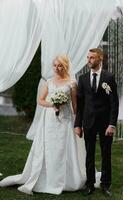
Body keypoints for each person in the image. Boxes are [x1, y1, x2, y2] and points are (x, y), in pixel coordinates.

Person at [0, 55, 85, 195]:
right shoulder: (49, 81)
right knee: (49, 147)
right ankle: (46, 177)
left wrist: (78, 123)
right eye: (55, 65)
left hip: (65, 119)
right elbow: (40, 100)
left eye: (60, 66)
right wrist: (53, 104)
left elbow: (75, 106)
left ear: (65, 67)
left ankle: (66, 179)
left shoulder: (72, 83)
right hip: (50, 120)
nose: (57, 68)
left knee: (64, 148)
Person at [74, 48, 119, 197]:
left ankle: (105, 185)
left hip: (105, 123)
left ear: (100, 59)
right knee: (89, 154)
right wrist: (77, 125)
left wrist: (112, 124)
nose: (88, 60)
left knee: (106, 154)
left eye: (92, 58)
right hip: (88, 122)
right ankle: (90, 184)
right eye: (88, 58)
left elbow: (114, 103)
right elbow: (80, 105)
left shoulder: (109, 77)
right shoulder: (83, 78)